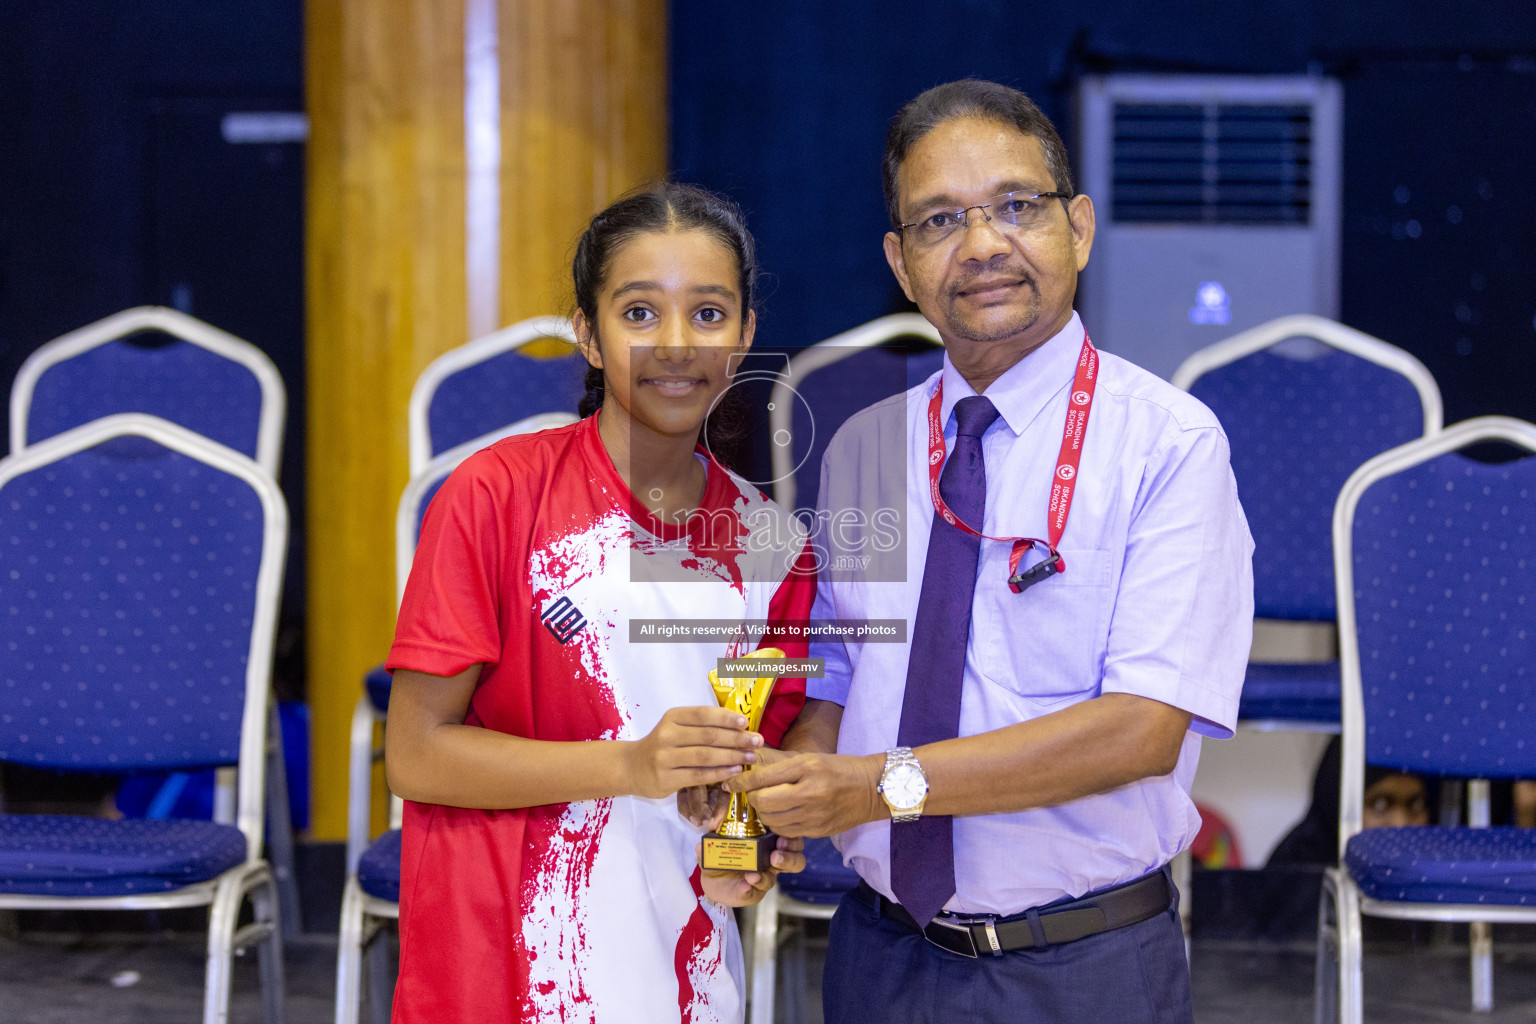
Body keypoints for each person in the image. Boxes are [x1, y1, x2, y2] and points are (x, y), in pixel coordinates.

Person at [726, 80, 1254, 1022]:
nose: (981, 244)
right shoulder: (863, 448)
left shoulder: (1169, 445)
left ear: (1079, 228)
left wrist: (874, 787)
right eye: (938, 220)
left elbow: (1142, 729)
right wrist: (795, 786)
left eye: (1017, 207)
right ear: (900, 262)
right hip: (881, 952)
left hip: (1080, 963)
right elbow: (842, 672)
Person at [383, 183, 816, 1022]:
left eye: (710, 313)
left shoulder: (775, 546)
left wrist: (750, 836)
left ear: (747, 334)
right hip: (505, 961)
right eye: (640, 313)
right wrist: (631, 765)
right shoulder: (494, 496)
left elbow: (750, 772)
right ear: (587, 333)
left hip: (681, 966)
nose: (677, 345)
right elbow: (417, 754)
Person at [1269, 737, 1432, 867]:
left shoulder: (1431, 878)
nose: (1400, 824)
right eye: (1379, 805)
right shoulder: (1293, 873)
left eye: (1416, 806)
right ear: (1336, 803)